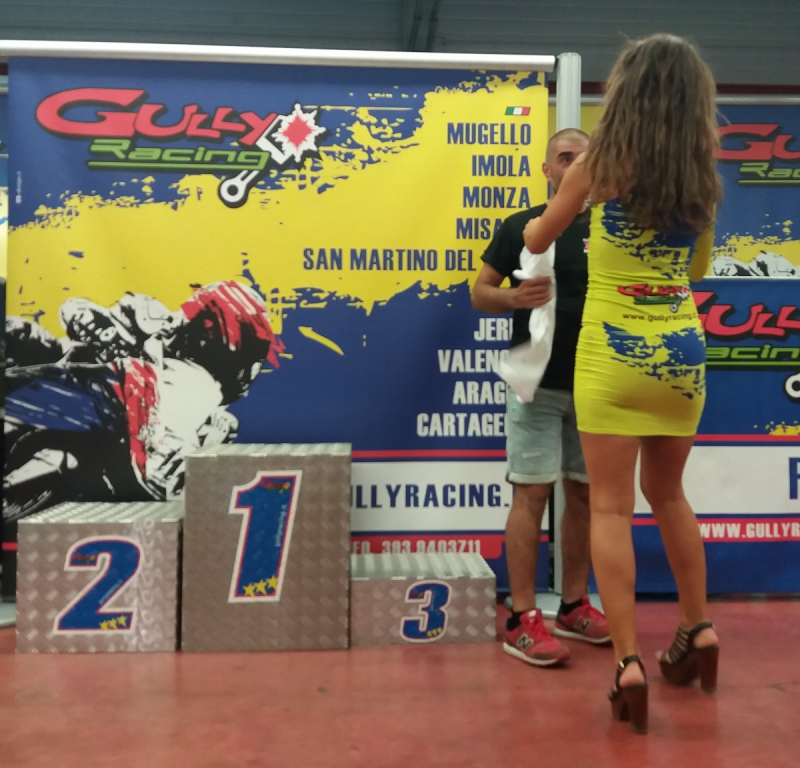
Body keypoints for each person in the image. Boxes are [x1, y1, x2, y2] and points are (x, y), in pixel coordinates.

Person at [522, 34, 721, 733]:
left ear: (626, 92)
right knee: (670, 496)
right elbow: (696, 272)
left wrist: (563, 210)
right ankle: (698, 629)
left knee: (610, 508)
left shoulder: (599, 164)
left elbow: (539, 238)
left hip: (611, 351)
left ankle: (629, 664)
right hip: (681, 350)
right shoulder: (701, 176)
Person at [471, 128, 610, 668]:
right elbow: (480, 292)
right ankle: (522, 617)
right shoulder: (522, 227)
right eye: (565, 157)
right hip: (537, 386)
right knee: (531, 496)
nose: (574, 165)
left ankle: (573, 606)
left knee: (585, 498)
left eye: (583, 158)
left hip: (598, 385)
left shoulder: (613, 227)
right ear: (548, 169)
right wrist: (512, 297)